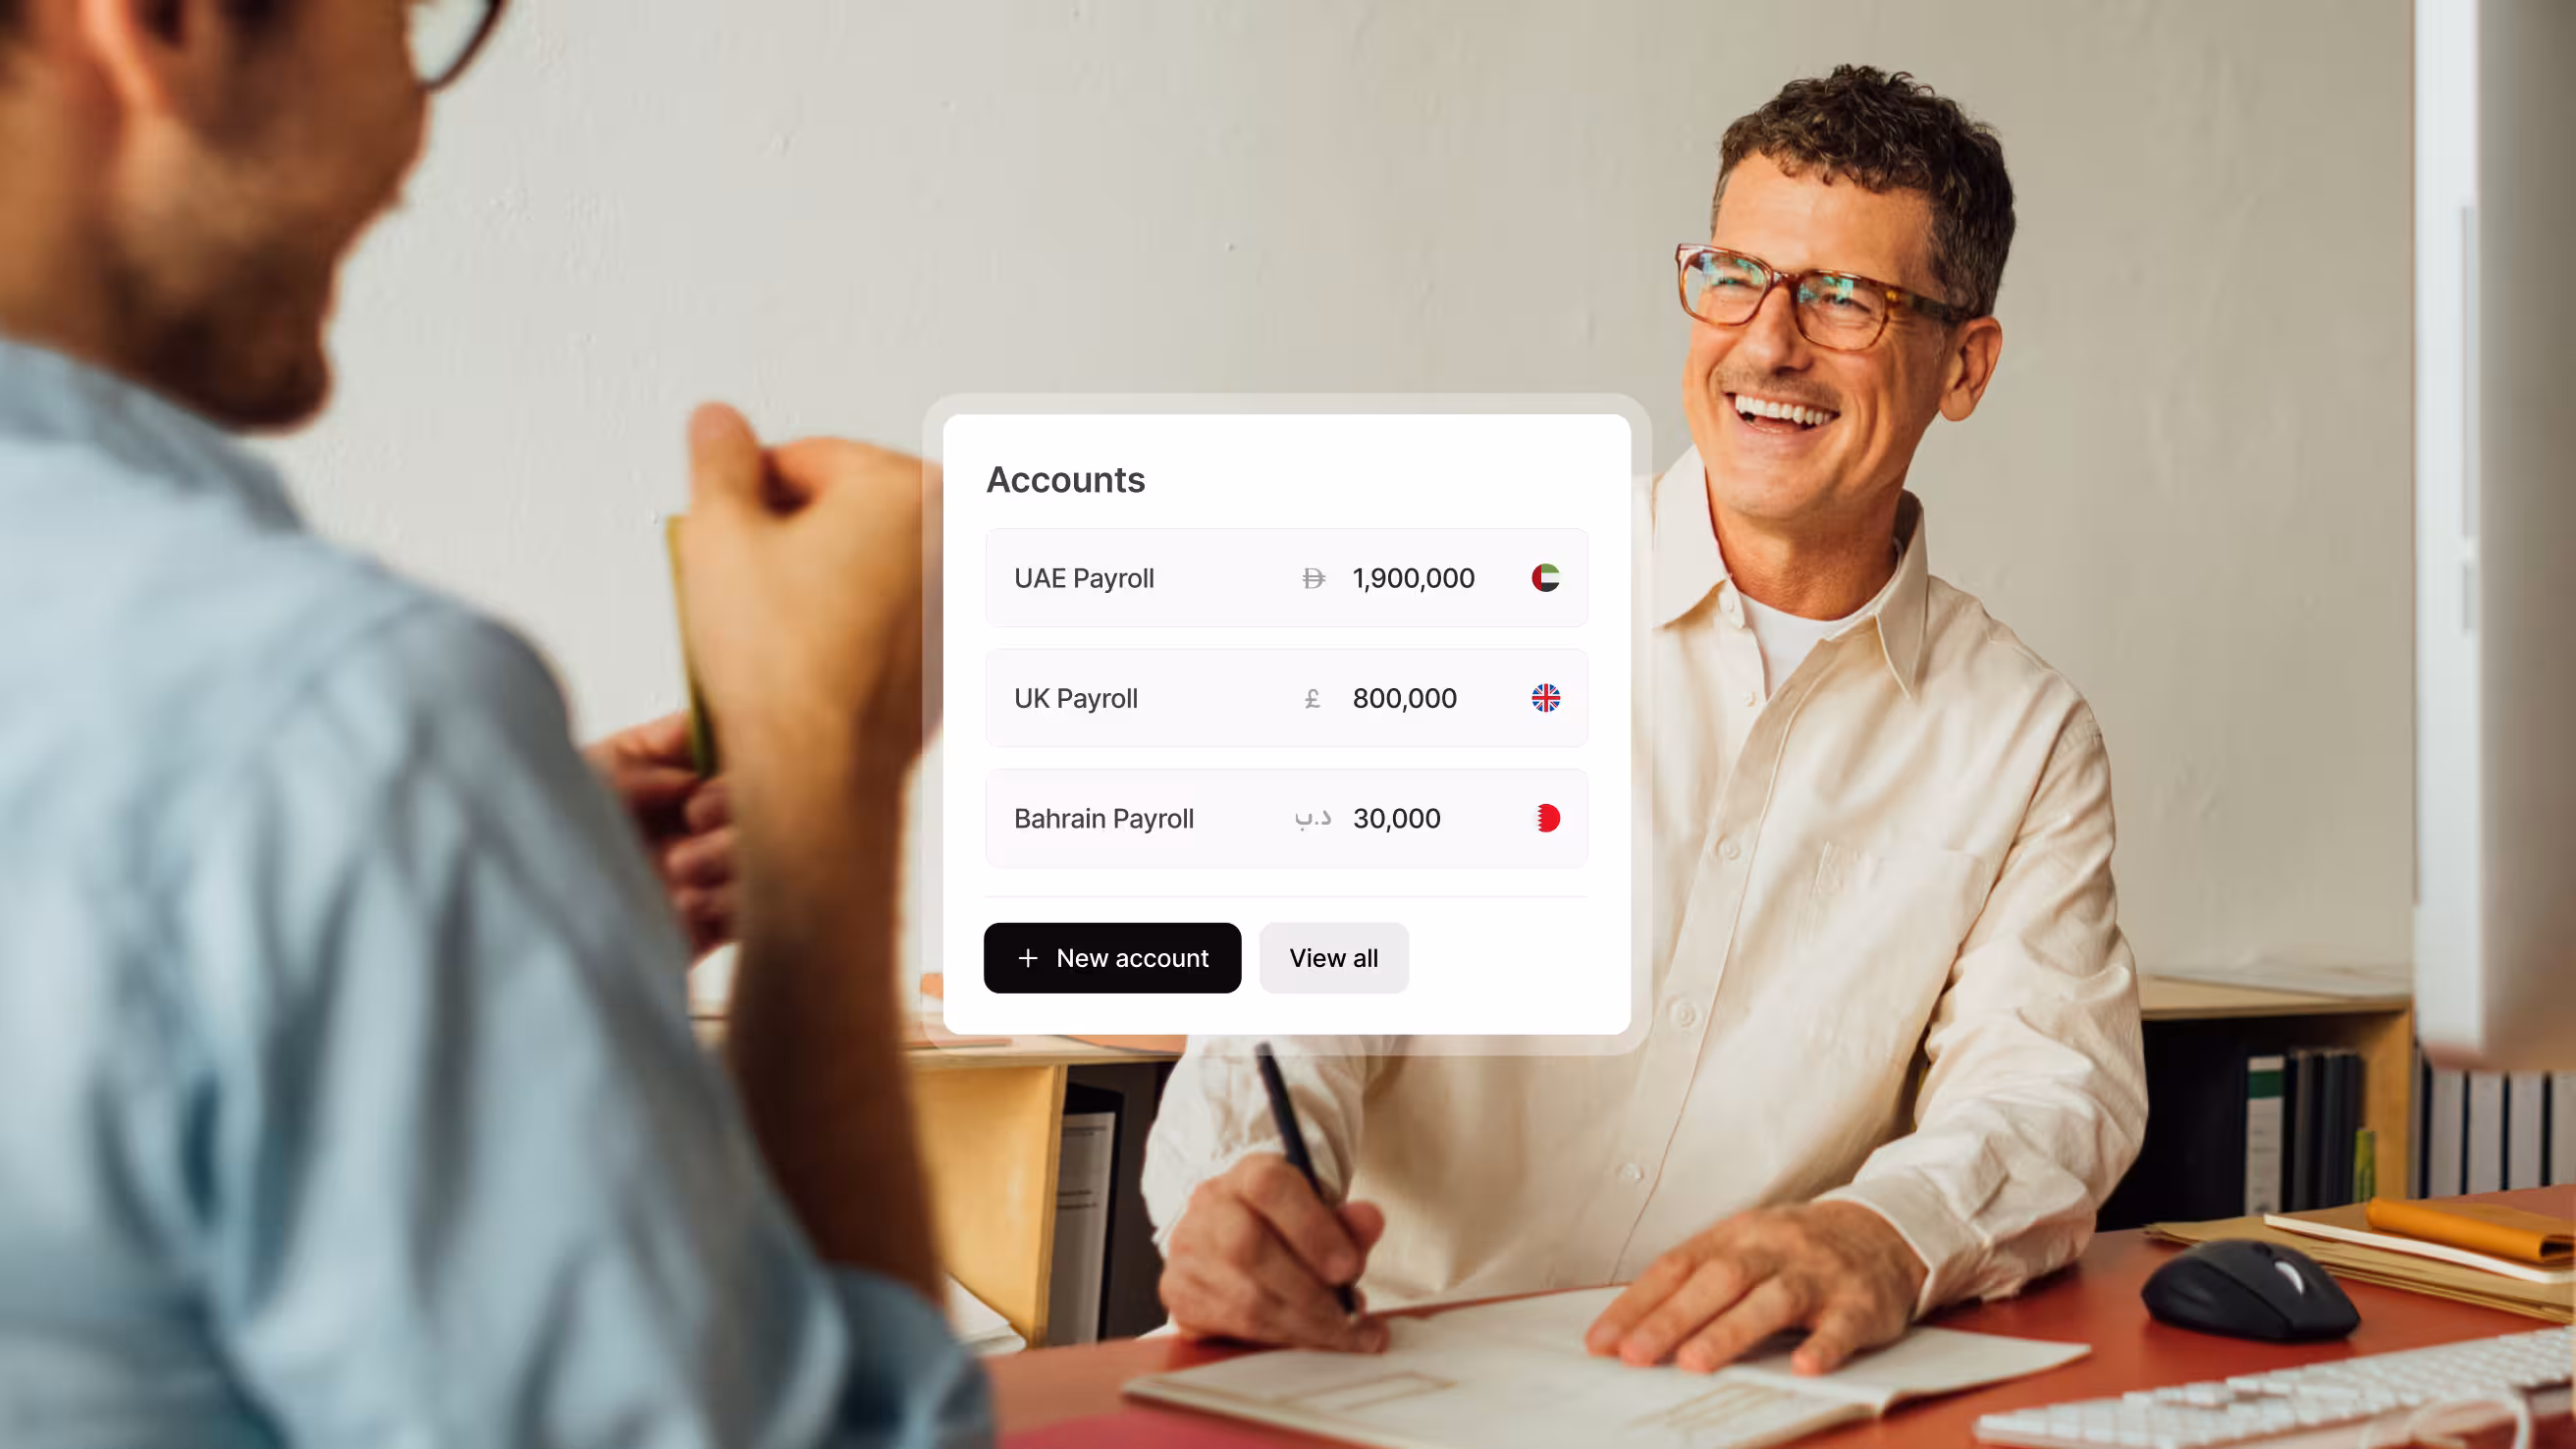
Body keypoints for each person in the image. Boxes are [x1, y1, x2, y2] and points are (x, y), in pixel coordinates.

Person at [0, 1, 985, 1444]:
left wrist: (477, 901)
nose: (414, 130)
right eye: (403, 21)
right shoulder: (336, 730)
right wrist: (818, 818)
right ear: (162, 24)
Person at [1145, 65, 2148, 1376]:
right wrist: (1240, 1198)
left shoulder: (2025, 742)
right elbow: (1292, 1019)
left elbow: (2047, 1092)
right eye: (1737, 274)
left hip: (1717, 1401)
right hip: (1369, 1377)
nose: (1769, 341)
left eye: (1845, 297)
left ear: (1964, 364)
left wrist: (1882, 1235)